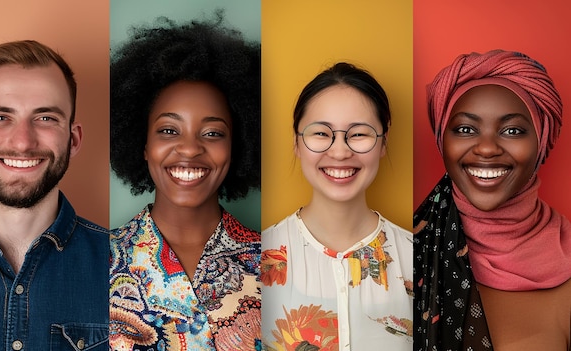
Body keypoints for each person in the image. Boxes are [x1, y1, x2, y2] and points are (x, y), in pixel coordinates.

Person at [108, 15, 261, 351]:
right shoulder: (95, 262)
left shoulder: (276, 265)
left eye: (213, 133)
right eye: (168, 130)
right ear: (143, 144)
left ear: (238, 146)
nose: (191, 148)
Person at [0, 40, 109, 349]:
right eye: (0, 117)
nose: (22, 143)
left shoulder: (124, 267)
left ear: (73, 140)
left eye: (45, 118)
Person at [414, 49, 571, 350]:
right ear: (441, 140)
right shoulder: (406, 257)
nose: (486, 149)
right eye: (465, 129)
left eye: (512, 130)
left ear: (541, 141)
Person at [261, 62, 413, 351]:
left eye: (358, 134)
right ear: (296, 141)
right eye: (320, 133)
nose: (340, 151)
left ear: (383, 143)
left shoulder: (419, 261)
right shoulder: (255, 261)